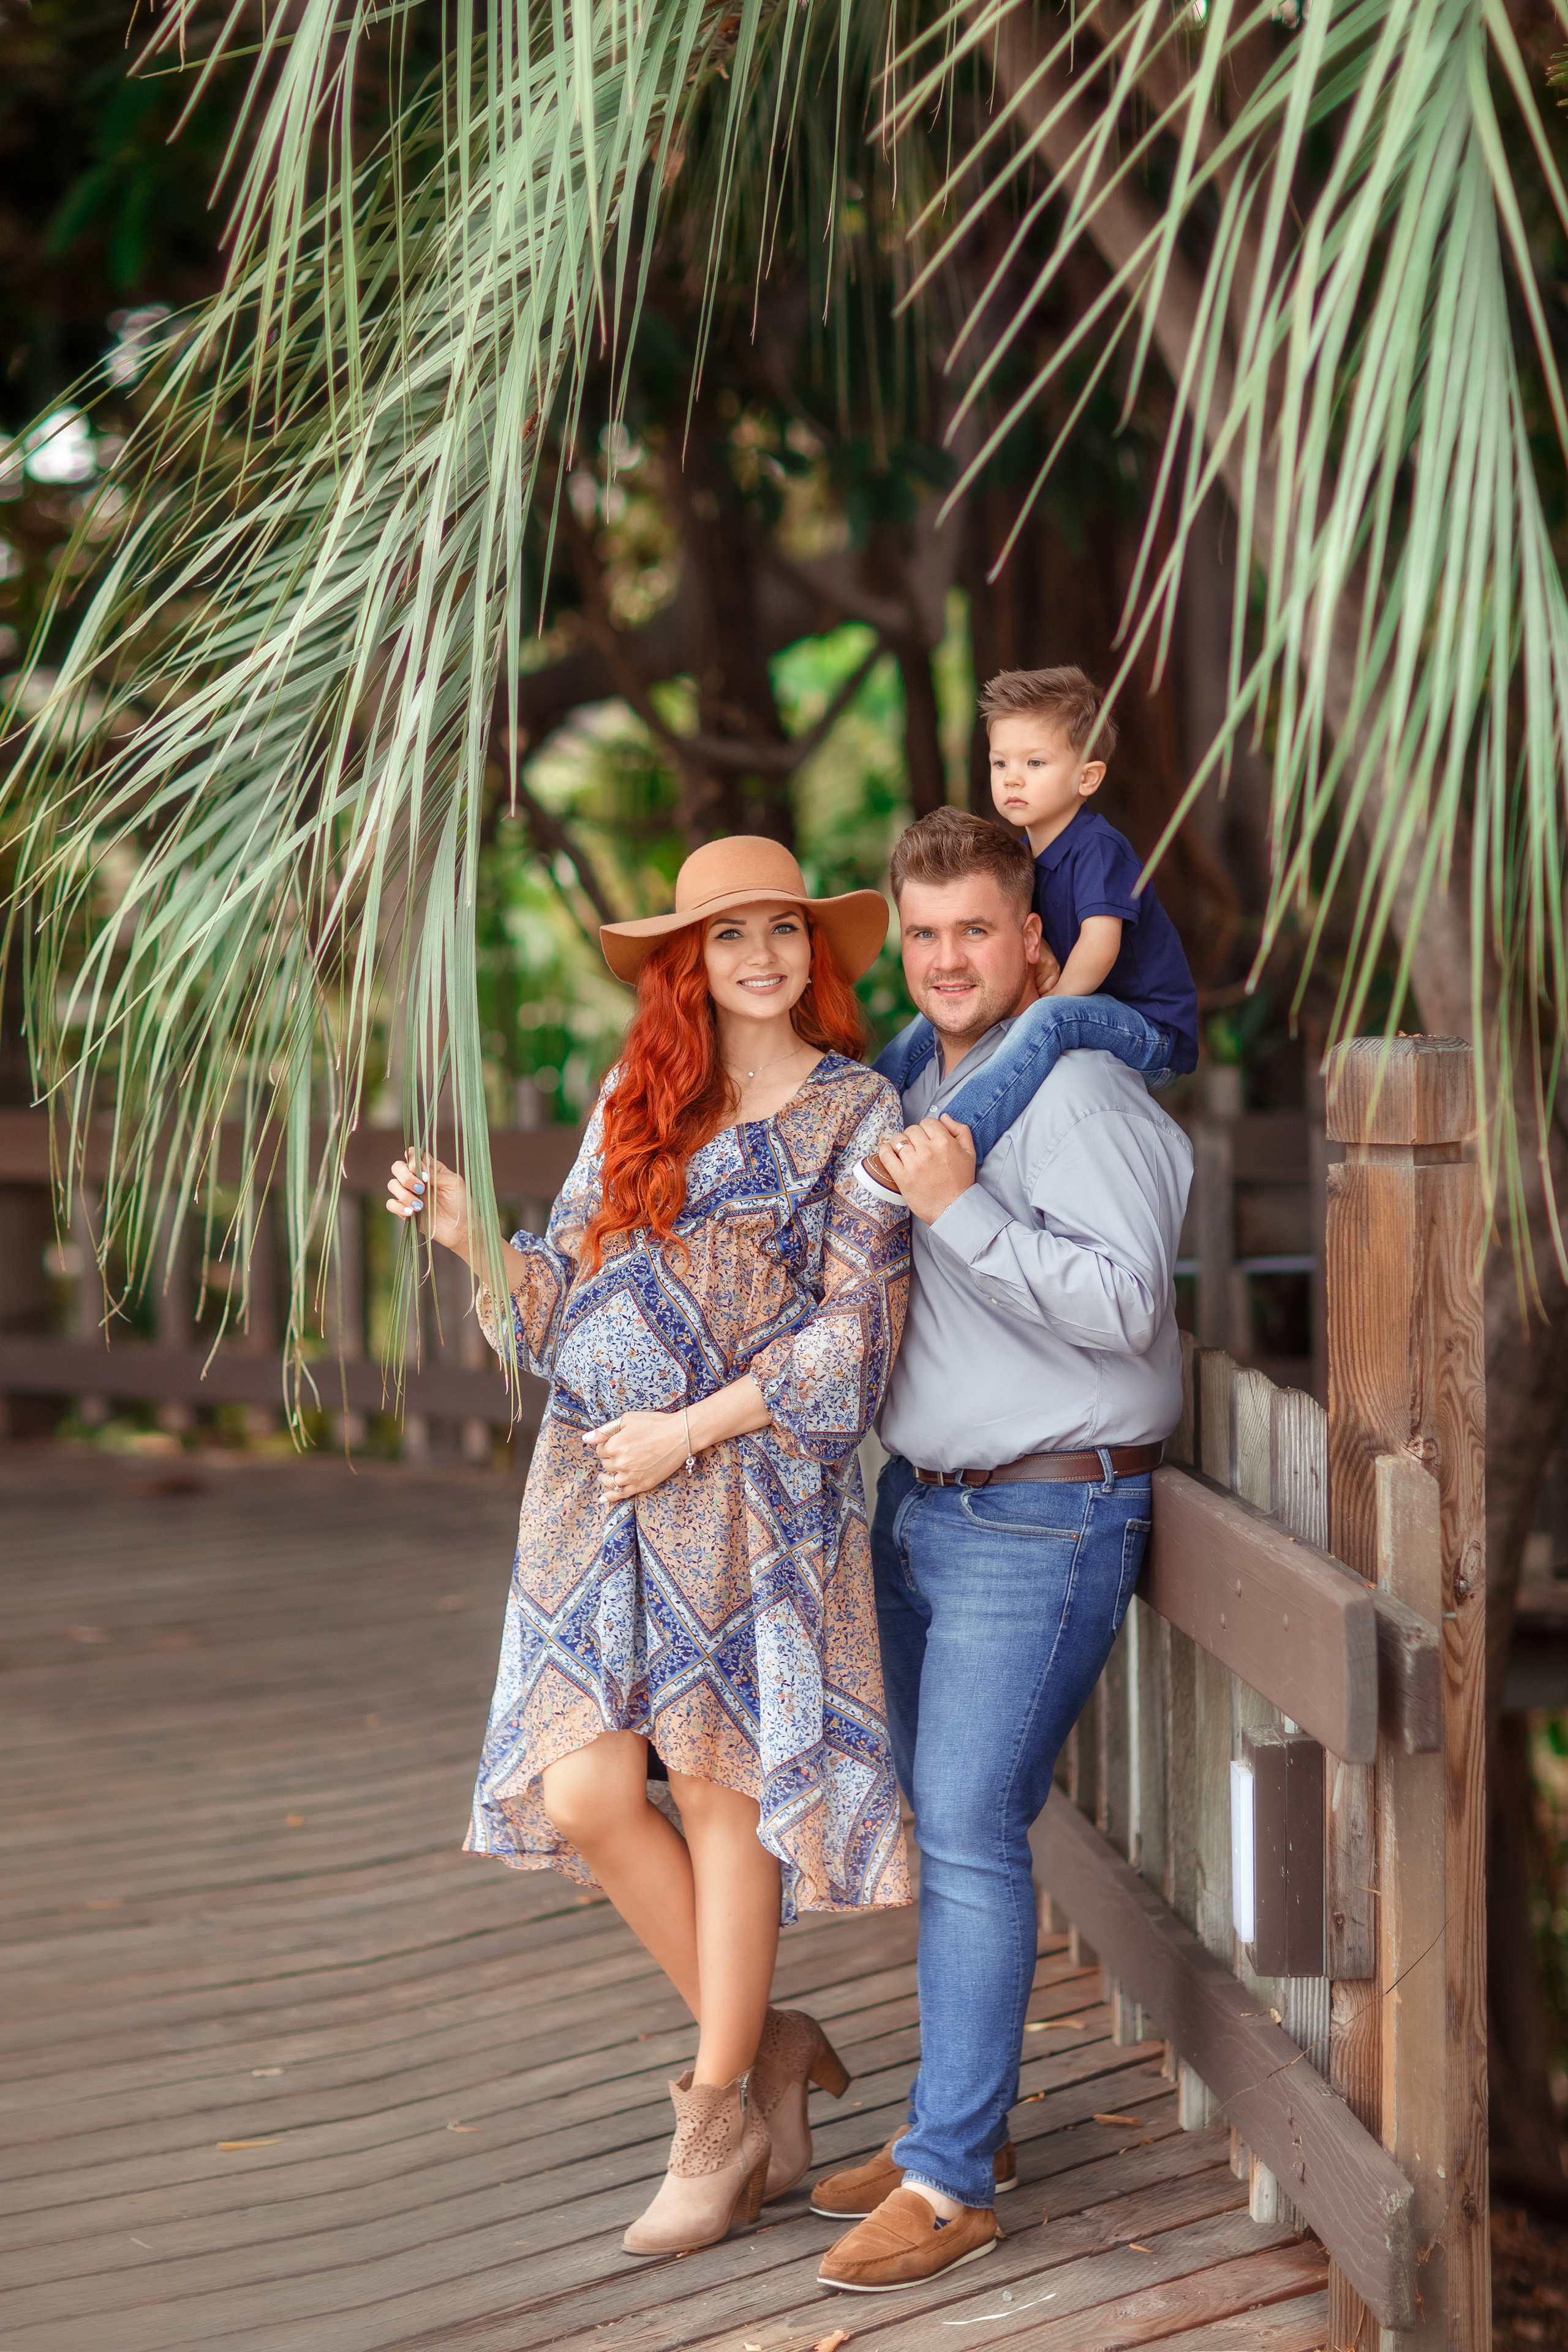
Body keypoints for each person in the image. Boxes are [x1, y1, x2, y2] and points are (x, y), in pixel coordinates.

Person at [384, 837, 913, 2261]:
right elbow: (557, 1299)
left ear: (815, 950)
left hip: (741, 1487)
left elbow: (850, 1340)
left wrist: (691, 1429)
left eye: (782, 931)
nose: (759, 957)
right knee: (582, 1789)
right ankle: (770, 2038)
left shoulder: (856, 1111)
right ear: (688, 957)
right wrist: (465, 1243)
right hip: (596, 1490)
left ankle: (714, 2111)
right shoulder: (639, 1095)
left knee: (718, 1786)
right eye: (728, 934)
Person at [809, 807, 1193, 2294]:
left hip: (1043, 1507)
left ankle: (947, 2178)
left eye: (976, 928)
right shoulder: (922, 1073)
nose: (948, 957)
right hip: (925, 1506)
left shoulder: (1081, 1086)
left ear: (1034, 937)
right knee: (946, 1822)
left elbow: (1120, 1308)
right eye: (923, 934)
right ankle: (954, 2127)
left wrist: (955, 1208)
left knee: (967, 1829)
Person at [873, 668, 1197, 1177]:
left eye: (1035, 763)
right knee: (926, 1019)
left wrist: (1052, 1002)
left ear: (1087, 777)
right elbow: (1034, 930)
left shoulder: (1098, 848)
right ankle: (863, 1115)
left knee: (1048, 1019)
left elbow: (1100, 944)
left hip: (1149, 1027)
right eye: (1000, 763)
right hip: (1092, 1007)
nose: (1012, 778)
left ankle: (956, 1139)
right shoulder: (1024, 856)